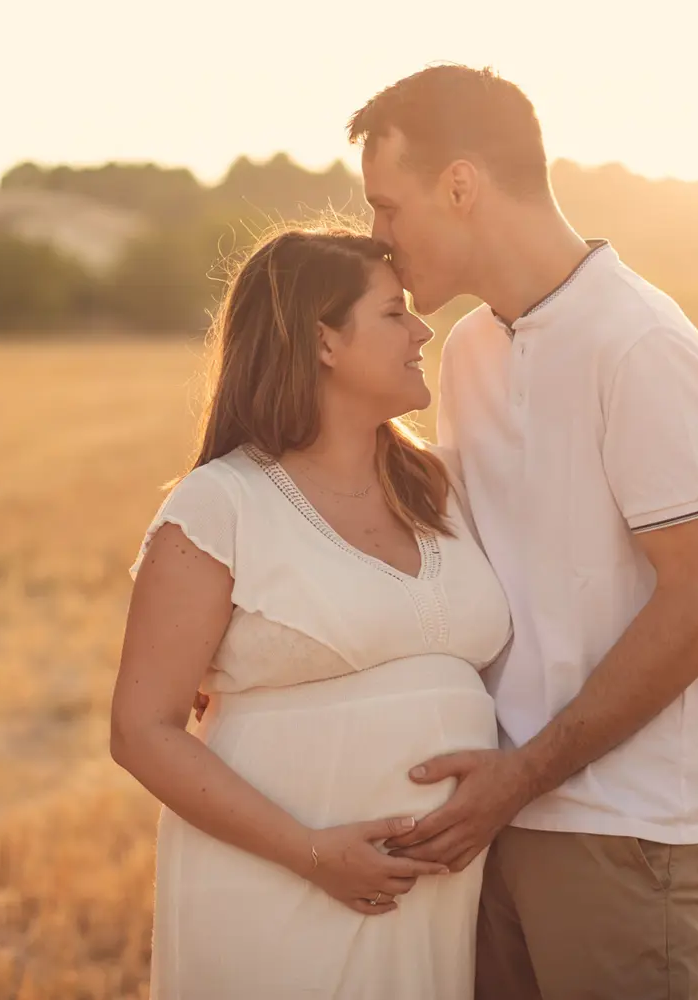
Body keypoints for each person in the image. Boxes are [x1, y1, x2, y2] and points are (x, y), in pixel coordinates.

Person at [348, 65, 698, 999]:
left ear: (460, 185)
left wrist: (522, 775)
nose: (378, 240)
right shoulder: (470, 353)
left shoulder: (638, 341)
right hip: (490, 821)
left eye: (387, 207)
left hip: (621, 830)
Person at [109, 226, 514, 999]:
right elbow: (141, 730)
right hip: (278, 890)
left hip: (434, 903)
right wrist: (313, 852)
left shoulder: (445, 486)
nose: (423, 328)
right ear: (323, 342)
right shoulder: (221, 504)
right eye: (394, 313)